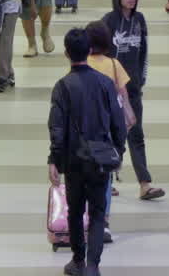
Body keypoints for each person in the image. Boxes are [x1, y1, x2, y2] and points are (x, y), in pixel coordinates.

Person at [49, 28, 126, 276]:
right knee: (97, 212)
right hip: (100, 158)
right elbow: (118, 122)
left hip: (73, 160)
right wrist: (118, 152)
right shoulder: (105, 83)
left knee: (75, 210)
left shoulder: (62, 87)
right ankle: (93, 265)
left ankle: (77, 261)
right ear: (90, 51)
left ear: (66, 54)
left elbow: (57, 127)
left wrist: (54, 160)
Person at [101, 0, 166, 200]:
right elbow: (101, 55)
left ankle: (145, 184)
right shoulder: (109, 21)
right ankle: (106, 181)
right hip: (111, 88)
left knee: (136, 134)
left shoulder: (139, 20)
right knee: (111, 136)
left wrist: (141, 80)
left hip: (133, 88)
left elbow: (144, 53)